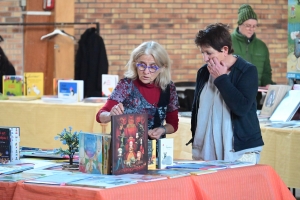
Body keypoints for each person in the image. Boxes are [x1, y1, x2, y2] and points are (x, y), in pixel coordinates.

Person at [186, 23, 264, 163]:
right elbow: (196, 109)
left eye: (209, 53)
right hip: (207, 148)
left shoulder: (247, 71)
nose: (205, 58)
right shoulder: (203, 72)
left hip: (239, 149)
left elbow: (241, 108)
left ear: (225, 49)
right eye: (202, 53)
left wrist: (221, 79)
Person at [96, 41, 179, 140]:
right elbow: (100, 116)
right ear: (135, 64)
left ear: (162, 68)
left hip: (154, 149)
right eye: (142, 65)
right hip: (124, 148)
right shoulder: (126, 85)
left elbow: (173, 124)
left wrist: (162, 130)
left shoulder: (169, 88)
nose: (146, 72)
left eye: (153, 67)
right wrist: (110, 115)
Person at [231, 4, 275, 109]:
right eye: (248, 25)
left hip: (254, 98)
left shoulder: (262, 46)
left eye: (254, 26)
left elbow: (266, 73)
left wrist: (268, 83)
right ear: (239, 24)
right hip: (232, 95)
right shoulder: (228, 42)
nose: (251, 29)